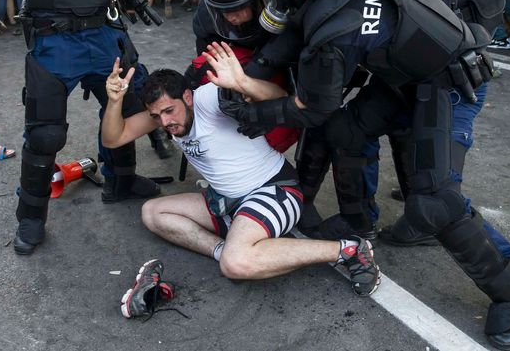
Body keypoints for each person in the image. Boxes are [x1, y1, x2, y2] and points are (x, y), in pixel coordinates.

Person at [216, 0, 510, 349]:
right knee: (346, 130)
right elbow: (301, 29)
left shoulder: (334, 30)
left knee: (433, 200)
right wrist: (252, 72)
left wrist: (256, 114)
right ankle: (358, 223)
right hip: (407, 79)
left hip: (448, 86)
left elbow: (311, 106)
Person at [291, 0, 510, 256]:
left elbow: (374, 23)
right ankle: (363, 220)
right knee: (355, 128)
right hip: (419, 65)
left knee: (437, 195)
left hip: (449, 73)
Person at [100, 57, 381, 302]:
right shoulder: (165, 116)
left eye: (168, 111)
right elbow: (114, 138)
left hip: (272, 190)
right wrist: (114, 102)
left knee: (236, 265)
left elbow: (279, 96)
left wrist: (243, 82)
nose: (164, 123)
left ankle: (349, 250)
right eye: (156, 116)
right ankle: (225, 248)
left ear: (187, 96)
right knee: (152, 212)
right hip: (226, 200)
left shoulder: (207, 98)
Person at [0, 0, 164, 255]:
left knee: (128, 105)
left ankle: (122, 180)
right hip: (55, 39)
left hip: (103, 33)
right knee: (45, 134)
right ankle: (32, 217)